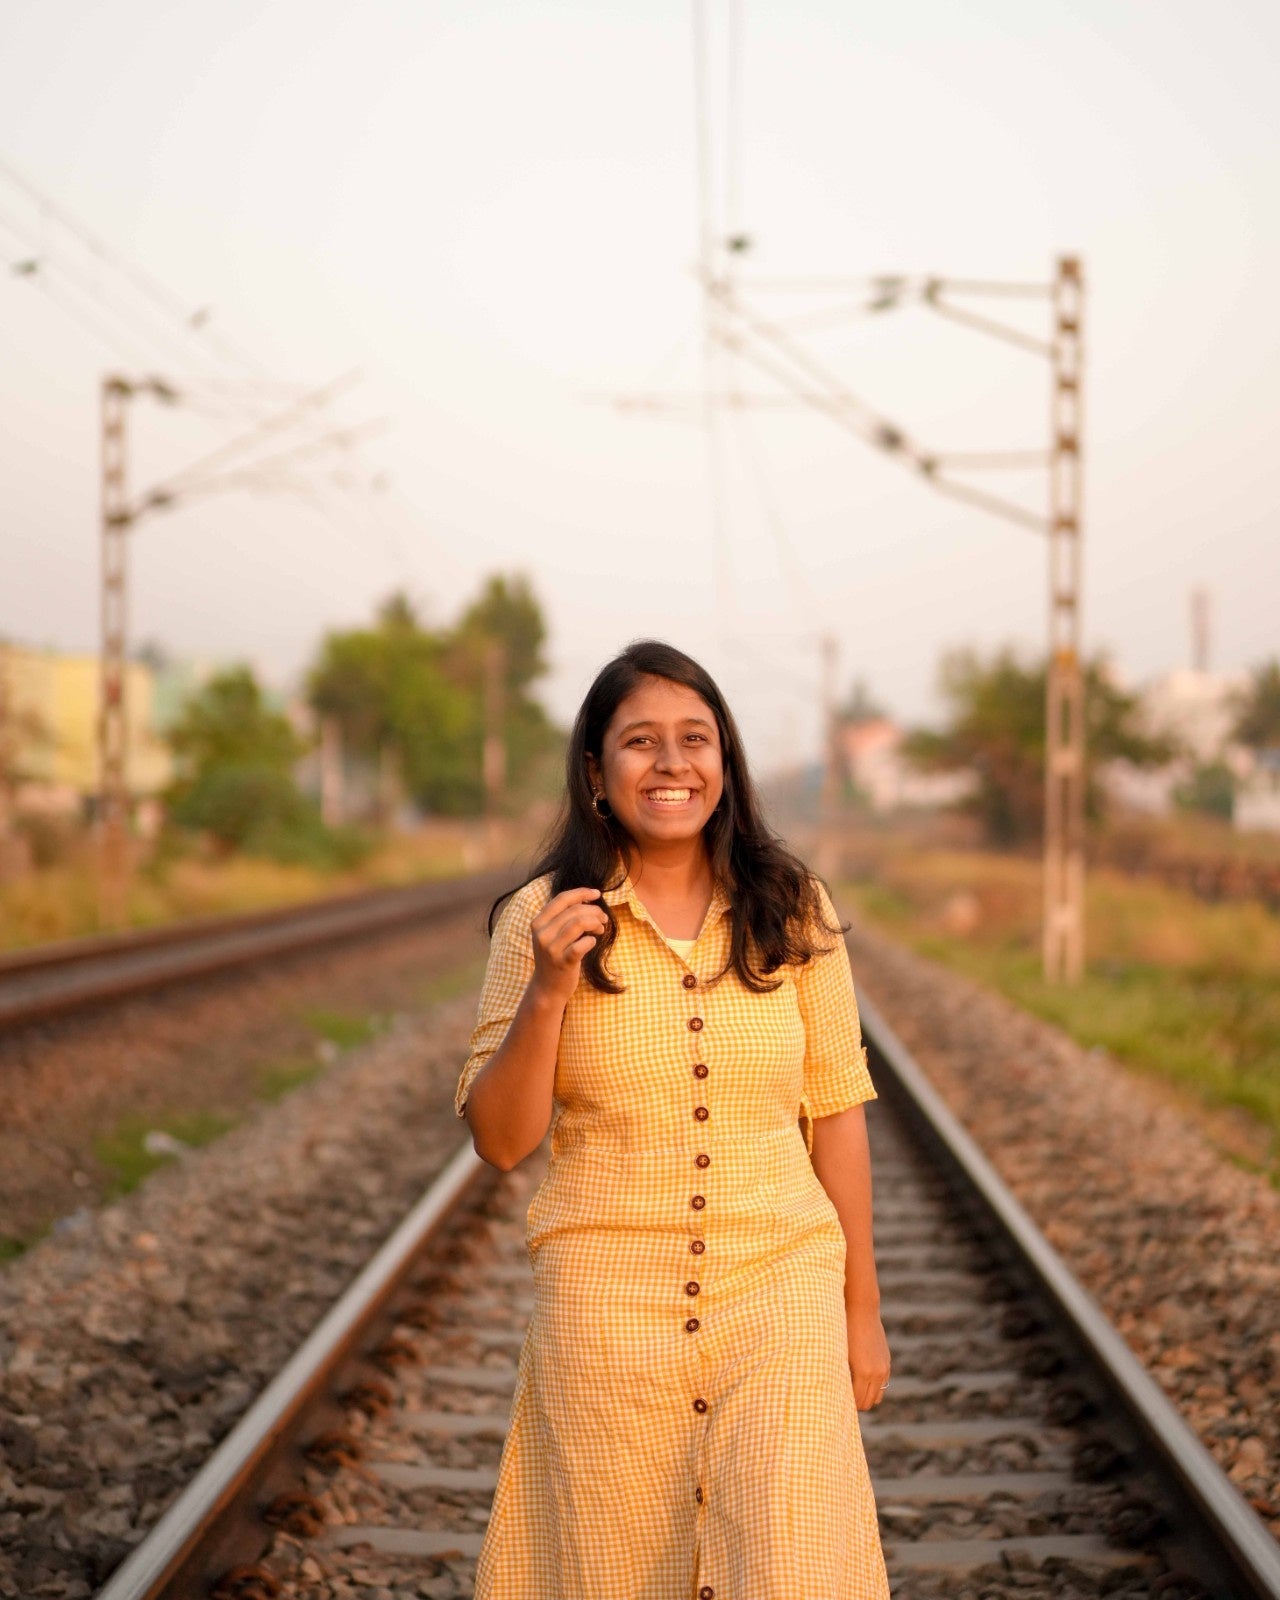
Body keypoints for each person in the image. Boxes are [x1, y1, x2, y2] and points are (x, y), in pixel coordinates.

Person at [455, 639, 891, 1600]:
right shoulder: (542, 917)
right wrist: (548, 991)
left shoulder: (791, 907)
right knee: (615, 1568)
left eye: (696, 740)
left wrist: (860, 1311)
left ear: (725, 766)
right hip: (607, 1312)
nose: (671, 764)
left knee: (787, 1566)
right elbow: (500, 1139)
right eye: (641, 742)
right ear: (597, 774)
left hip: (777, 1294)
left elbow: (838, 1115)